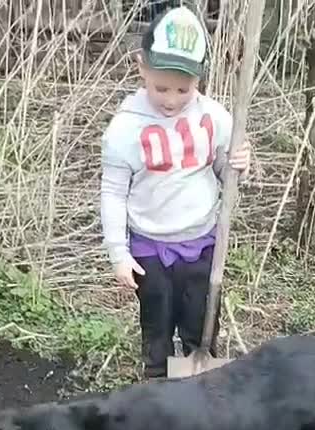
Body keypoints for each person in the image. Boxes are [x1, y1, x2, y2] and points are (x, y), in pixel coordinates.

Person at [101, 5, 250, 379]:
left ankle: (200, 392)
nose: (170, 99)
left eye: (183, 89)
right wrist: (118, 253)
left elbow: (222, 172)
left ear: (199, 78)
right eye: (161, 87)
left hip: (201, 244)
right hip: (148, 249)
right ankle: (157, 389)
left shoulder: (214, 118)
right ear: (141, 67)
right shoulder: (125, 128)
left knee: (199, 326)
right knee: (157, 325)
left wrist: (238, 165)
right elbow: (113, 193)